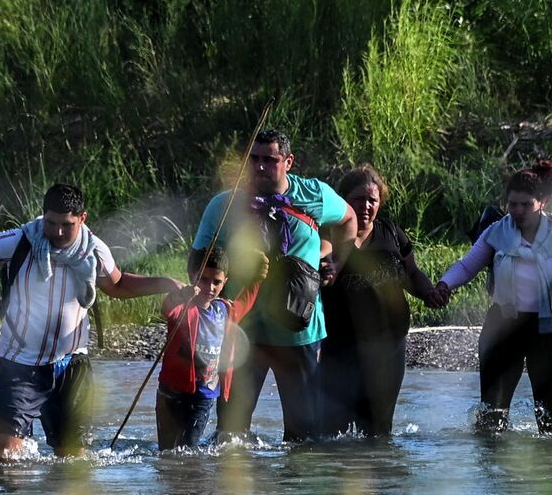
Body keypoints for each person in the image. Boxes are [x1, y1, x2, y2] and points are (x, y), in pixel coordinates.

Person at [0, 184, 185, 458]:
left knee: (72, 462)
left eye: (66, 225)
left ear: (82, 219)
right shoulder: (19, 241)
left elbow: (118, 285)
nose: (57, 232)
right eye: (51, 223)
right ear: (43, 215)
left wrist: (166, 283)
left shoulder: (95, 250)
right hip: (19, 365)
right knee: (5, 455)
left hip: (72, 366)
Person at [190, 129, 357, 444]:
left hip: (298, 332)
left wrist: (337, 261)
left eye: (270, 159)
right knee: (230, 436)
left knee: (303, 438)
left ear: (288, 162)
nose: (260, 166)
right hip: (242, 331)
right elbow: (196, 263)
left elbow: (348, 219)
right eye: (253, 159)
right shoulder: (224, 207)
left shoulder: (314, 195)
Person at [435, 162, 552, 433]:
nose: (517, 211)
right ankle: (493, 474)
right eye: (512, 204)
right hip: (502, 327)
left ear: (543, 202)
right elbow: (467, 266)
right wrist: (445, 284)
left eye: (526, 204)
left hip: (547, 329)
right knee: (491, 421)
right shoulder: (496, 232)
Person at [316, 165, 442, 437]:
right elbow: (317, 269)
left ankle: (382, 475)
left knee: (378, 426)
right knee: (332, 427)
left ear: (380, 202)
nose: (365, 206)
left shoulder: (392, 234)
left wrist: (430, 292)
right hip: (340, 347)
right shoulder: (328, 236)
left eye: (372, 200)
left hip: (389, 345)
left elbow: (412, 273)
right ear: (343, 202)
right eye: (358, 199)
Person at [155, 248, 258, 451]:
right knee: (167, 453)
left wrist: (256, 279)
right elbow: (168, 307)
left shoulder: (224, 310)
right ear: (192, 278)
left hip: (203, 395)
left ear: (224, 282)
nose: (209, 287)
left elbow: (245, 302)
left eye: (216, 282)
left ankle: (194, 482)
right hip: (170, 393)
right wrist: (182, 295)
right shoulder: (183, 308)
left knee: (187, 450)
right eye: (203, 279)